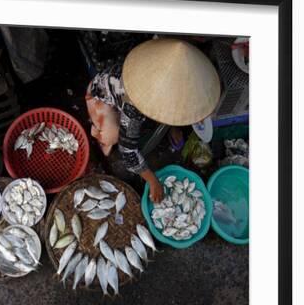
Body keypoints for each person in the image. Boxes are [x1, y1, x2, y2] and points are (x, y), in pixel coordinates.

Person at [85, 38, 220, 203]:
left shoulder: (169, 62)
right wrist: (152, 180)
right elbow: (128, 152)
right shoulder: (134, 106)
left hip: (120, 91)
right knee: (112, 137)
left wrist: (173, 126)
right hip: (99, 97)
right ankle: (97, 128)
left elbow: (177, 102)